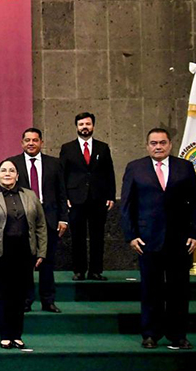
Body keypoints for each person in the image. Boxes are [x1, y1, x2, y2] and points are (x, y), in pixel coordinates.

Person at [120, 128, 196, 350]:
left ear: (170, 145)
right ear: (147, 146)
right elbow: (127, 205)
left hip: (180, 240)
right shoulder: (135, 168)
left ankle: (178, 335)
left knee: (179, 290)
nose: (158, 147)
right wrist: (131, 236)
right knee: (151, 289)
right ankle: (150, 334)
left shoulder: (185, 167)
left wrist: (195, 234)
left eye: (162, 142)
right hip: (147, 240)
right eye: (154, 143)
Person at [0, 159, 47, 350]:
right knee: (3, 294)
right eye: (3, 170)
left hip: (25, 253)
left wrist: (41, 251)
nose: (7, 173)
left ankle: (17, 335)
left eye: (11, 170)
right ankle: (5, 335)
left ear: (17, 175)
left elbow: (40, 225)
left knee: (20, 296)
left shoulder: (30, 195)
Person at [6, 128, 68, 313]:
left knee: (47, 262)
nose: (31, 143)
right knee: (25, 263)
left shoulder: (54, 164)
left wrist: (63, 218)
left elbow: (61, 192)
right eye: (27, 140)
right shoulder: (13, 164)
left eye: (34, 140)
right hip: (22, 220)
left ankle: (48, 300)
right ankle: (26, 300)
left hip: (49, 219)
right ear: (22, 143)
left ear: (41, 142)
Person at [59, 112, 116, 281]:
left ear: (93, 126)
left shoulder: (102, 147)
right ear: (76, 127)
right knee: (78, 236)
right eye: (81, 124)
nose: (85, 127)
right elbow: (62, 174)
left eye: (88, 124)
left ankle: (95, 271)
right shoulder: (67, 148)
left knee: (98, 236)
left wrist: (111, 196)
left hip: (98, 198)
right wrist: (64, 197)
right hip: (75, 199)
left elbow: (109, 172)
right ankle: (79, 270)